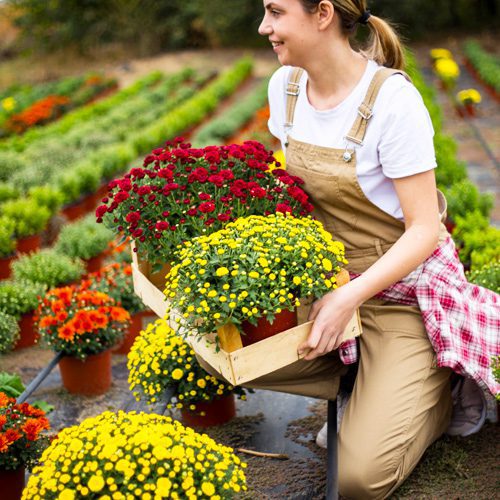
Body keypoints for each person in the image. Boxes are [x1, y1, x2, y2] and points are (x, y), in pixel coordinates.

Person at [197, 1, 499, 498]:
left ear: (321, 14)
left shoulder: (391, 102)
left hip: (401, 296)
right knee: (216, 347)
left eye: (275, 12)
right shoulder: (286, 87)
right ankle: (362, 377)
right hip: (323, 281)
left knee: (359, 481)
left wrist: (347, 297)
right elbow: (294, 196)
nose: (263, 27)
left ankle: (438, 391)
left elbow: (425, 229)